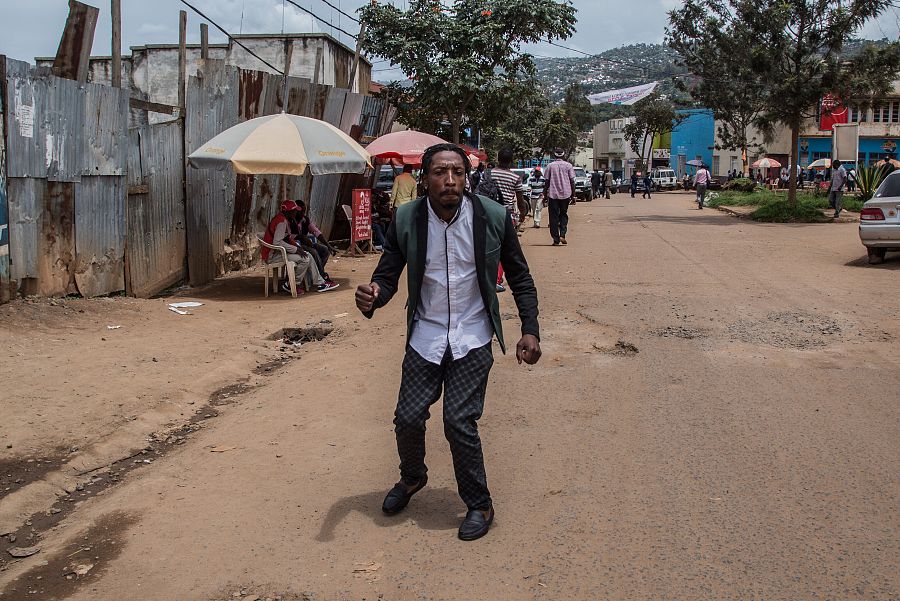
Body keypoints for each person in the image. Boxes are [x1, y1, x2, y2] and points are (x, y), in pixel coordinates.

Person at [355, 143, 541, 542]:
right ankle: (412, 477)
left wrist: (530, 328)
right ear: (425, 179)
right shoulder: (406, 219)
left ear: (467, 177)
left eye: (457, 172)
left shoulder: (492, 217)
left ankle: (479, 504)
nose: (450, 180)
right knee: (407, 417)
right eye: (440, 172)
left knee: (458, 420)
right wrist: (374, 294)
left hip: (472, 335)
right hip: (426, 334)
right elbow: (387, 275)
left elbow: (520, 277)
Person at [261, 201, 337, 294]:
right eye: (294, 211)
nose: (296, 213)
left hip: (277, 252)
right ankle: (291, 284)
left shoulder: (284, 219)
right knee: (305, 259)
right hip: (273, 255)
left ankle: (320, 283)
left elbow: (286, 238)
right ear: (288, 211)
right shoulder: (281, 222)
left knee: (308, 255)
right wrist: (296, 249)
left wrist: (297, 247)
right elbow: (277, 242)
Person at [489, 148, 528, 291]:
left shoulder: (489, 173)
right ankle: (497, 280)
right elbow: (520, 199)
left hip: (487, 213)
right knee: (502, 249)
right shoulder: (515, 177)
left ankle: (487, 277)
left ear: (498, 158)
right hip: (506, 215)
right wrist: (522, 214)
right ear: (511, 161)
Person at [292, 200, 337, 285]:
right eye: (300, 212)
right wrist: (301, 237)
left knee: (325, 250)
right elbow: (286, 236)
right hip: (294, 246)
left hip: (304, 244)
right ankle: (321, 276)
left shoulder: (305, 220)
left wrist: (329, 246)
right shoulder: (289, 220)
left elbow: (316, 232)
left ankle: (317, 274)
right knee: (314, 252)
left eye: (303, 212)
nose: (302, 214)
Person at [543, 148, 576, 246]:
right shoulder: (568, 165)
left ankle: (556, 239)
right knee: (563, 214)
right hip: (566, 194)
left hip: (553, 195)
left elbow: (547, 182)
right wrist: (573, 195)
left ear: (554, 155)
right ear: (563, 155)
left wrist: (544, 195)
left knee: (553, 217)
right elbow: (572, 181)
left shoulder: (550, 166)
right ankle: (562, 234)